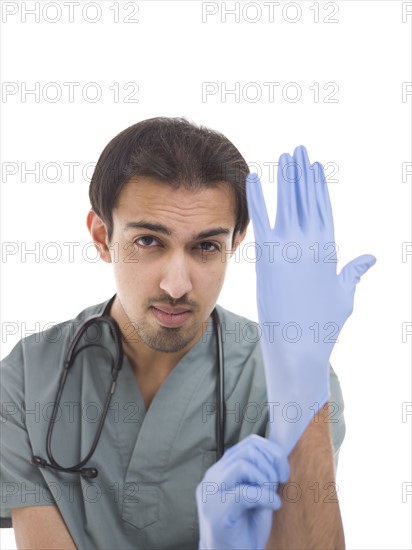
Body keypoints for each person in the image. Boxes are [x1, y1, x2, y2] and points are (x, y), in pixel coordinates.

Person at [0, 117, 373, 549]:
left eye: (206, 246)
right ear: (103, 237)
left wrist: (303, 384)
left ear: (235, 244)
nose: (176, 286)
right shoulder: (29, 378)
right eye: (148, 241)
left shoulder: (287, 381)